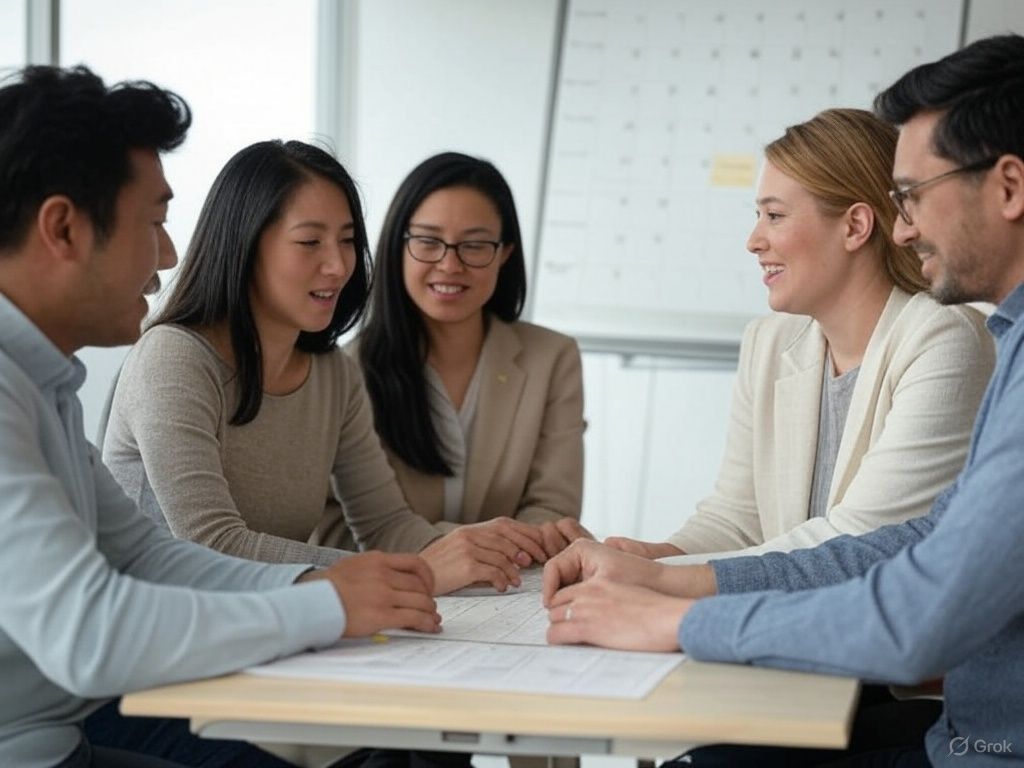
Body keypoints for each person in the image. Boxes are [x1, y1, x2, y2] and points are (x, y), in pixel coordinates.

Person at [544, 34, 1024, 768]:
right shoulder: (1013, 338)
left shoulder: (960, 340)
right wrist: (660, 565)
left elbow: (905, 596)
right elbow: (915, 539)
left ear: (1010, 188)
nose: (905, 225)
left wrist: (677, 612)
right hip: (958, 728)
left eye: (915, 197)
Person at [0, 65, 439, 768]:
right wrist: (328, 605)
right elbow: (89, 633)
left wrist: (320, 584)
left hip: (66, 731)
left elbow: (145, 555)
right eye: (153, 222)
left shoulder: (42, 380)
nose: (168, 255)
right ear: (63, 229)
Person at [101, 142, 553, 597]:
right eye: (310, 242)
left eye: (347, 240)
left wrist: (483, 546)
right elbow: (211, 546)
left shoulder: (333, 373)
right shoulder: (174, 357)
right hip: (162, 633)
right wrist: (416, 573)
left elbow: (385, 524)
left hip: (271, 626)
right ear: (246, 244)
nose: (338, 265)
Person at [605, 108, 993, 561]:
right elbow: (737, 518)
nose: (754, 240)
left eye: (774, 215)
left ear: (854, 226)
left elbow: (859, 540)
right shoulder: (768, 343)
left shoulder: (945, 339)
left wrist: (661, 578)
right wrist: (648, 556)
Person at [312, 152, 590, 581]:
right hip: (395, 595)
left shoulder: (552, 358)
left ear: (505, 254)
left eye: (475, 245)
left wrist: (478, 555)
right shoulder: (347, 370)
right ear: (397, 247)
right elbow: (334, 531)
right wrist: (461, 552)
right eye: (428, 241)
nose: (450, 263)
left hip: (512, 596)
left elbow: (552, 510)